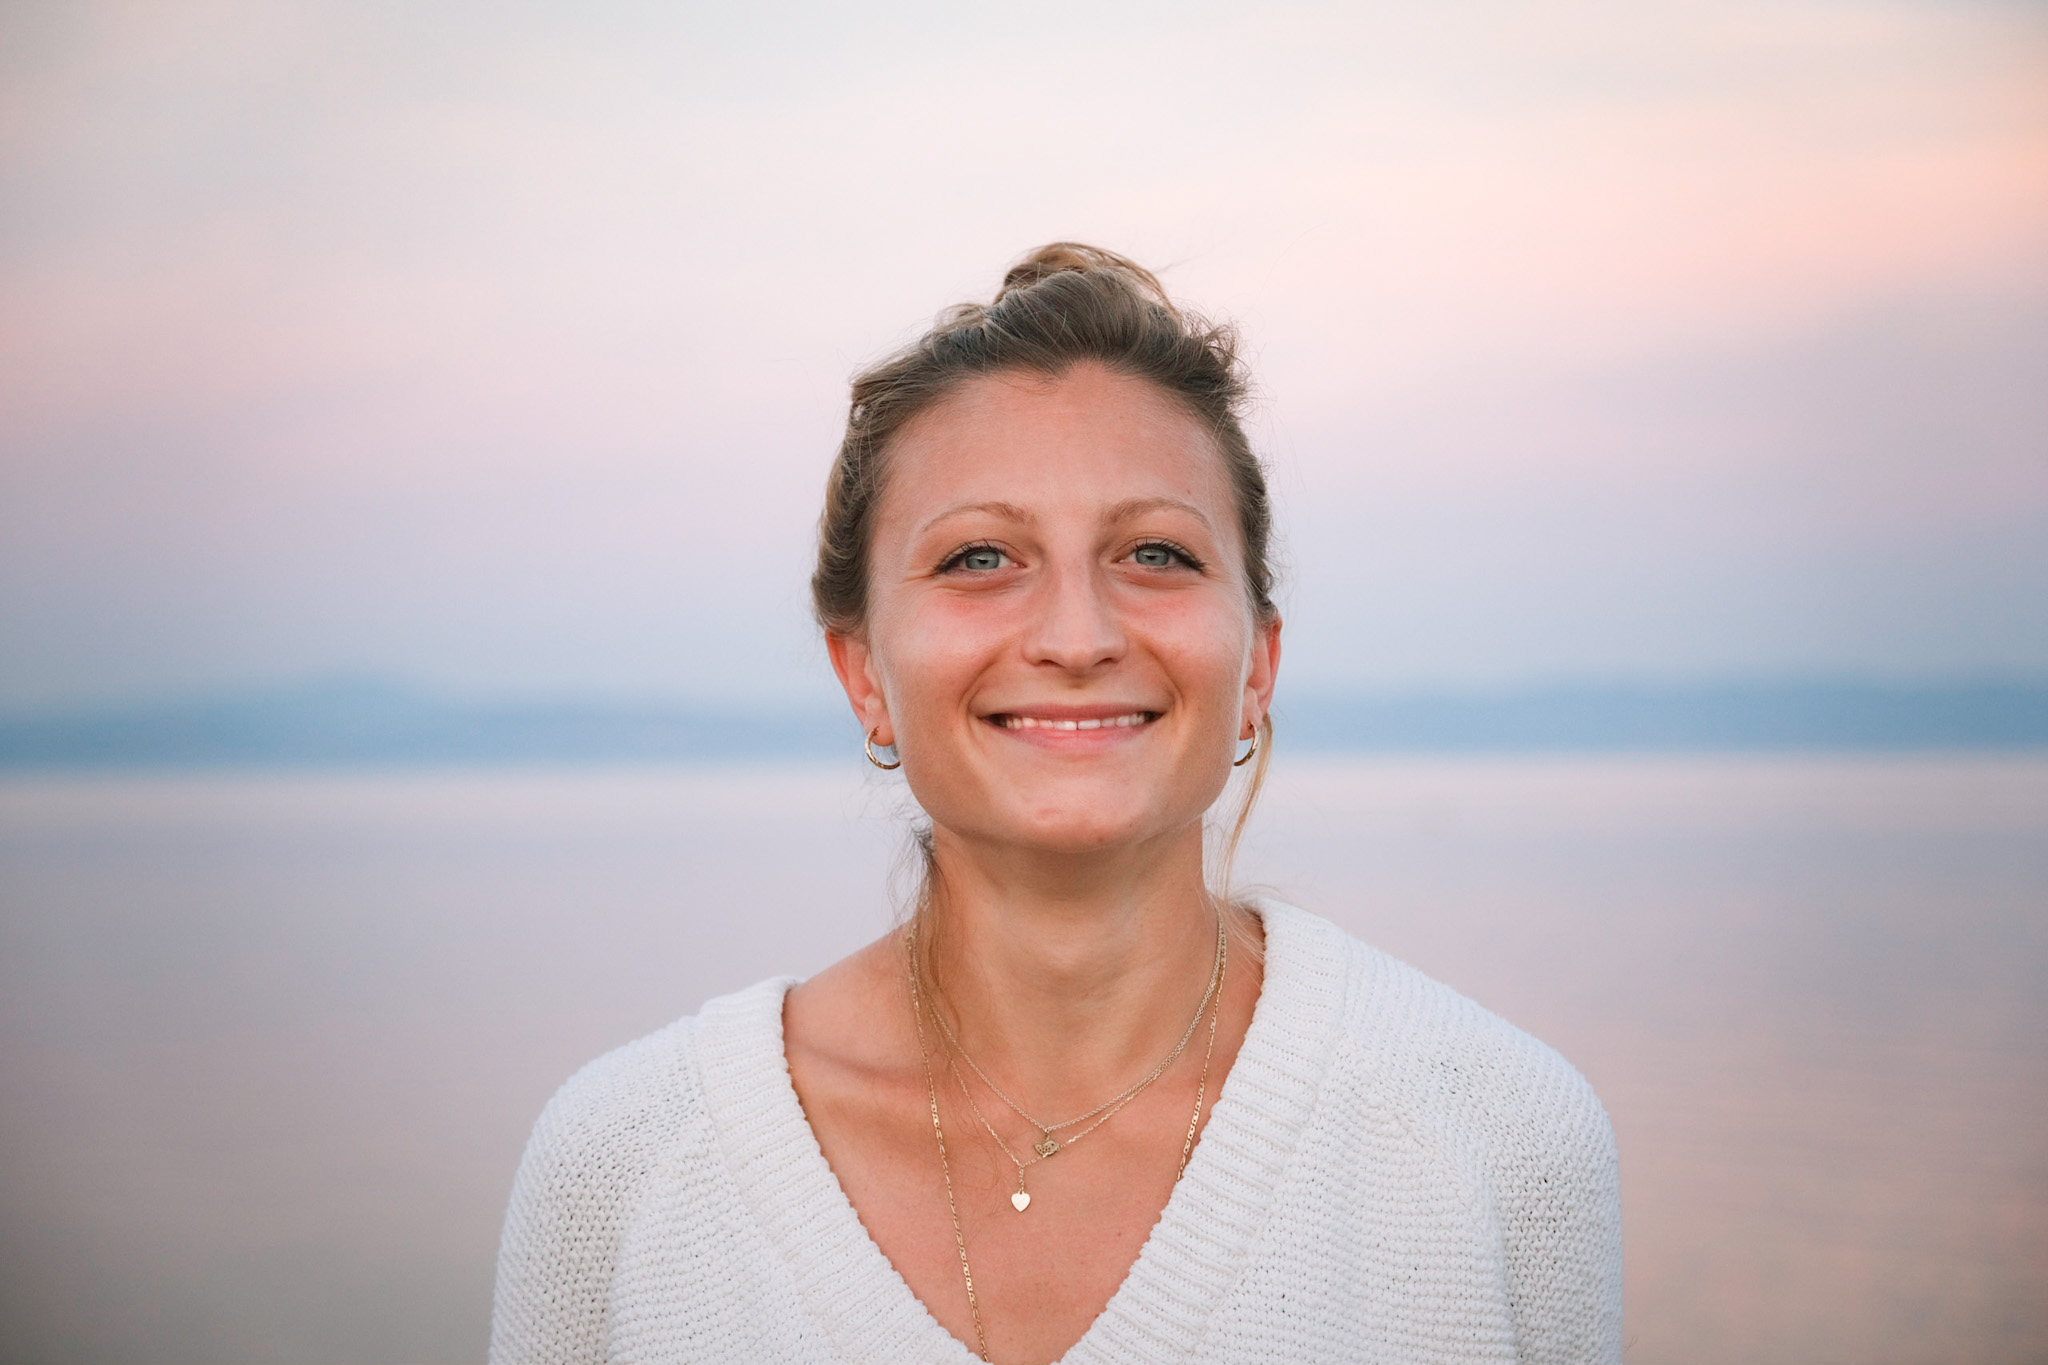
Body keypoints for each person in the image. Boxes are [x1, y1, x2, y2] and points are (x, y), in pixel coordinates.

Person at [488, 244, 1622, 1365]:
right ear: (863, 673)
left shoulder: (1493, 1135)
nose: (1076, 637)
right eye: (980, 556)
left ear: (1257, 668)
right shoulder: (628, 1166)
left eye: (1155, 553)